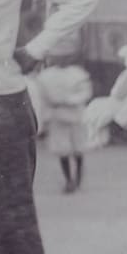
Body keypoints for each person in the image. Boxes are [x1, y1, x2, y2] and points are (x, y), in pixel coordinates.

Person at [0, 0, 97, 254]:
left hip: (0, 94)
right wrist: (37, 47)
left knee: (8, 225)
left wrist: (38, 46)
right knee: (8, 224)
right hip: (4, 93)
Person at [36, 52, 93, 194]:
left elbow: (85, 93)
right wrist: (45, 118)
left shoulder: (79, 74)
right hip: (57, 116)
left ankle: (78, 178)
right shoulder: (45, 76)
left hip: (76, 115)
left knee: (78, 148)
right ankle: (69, 180)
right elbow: (42, 98)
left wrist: (67, 100)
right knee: (62, 150)